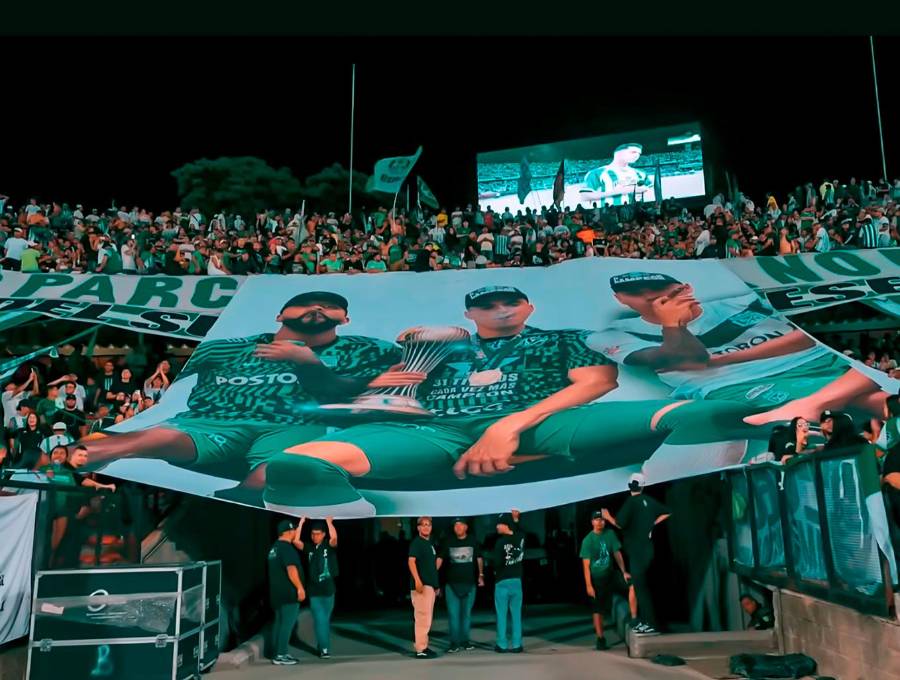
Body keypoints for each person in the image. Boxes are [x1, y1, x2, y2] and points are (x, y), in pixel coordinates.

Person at [264, 285, 771, 515]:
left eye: (510, 301)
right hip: (431, 429)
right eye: (487, 303)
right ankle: (346, 534)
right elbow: (385, 394)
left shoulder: (558, 337)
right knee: (296, 467)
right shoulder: (439, 343)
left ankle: (656, 494)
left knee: (721, 411)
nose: (500, 309)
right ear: (471, 309)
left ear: (528, 306)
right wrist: (406, 369)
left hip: (544, 420)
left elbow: (596, 383)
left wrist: (509, 429)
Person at [79, 292, 401, 504]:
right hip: (211, 421)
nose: (317, 308)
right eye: (306, 303)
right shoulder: (228, 347)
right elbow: (172, 369)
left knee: (282, 463)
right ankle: (84, 454)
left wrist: (307, 363)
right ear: (280, 315)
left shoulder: (368, 348)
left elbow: (356, 390)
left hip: (295, 423)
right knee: (157, 436)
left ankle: (241, 497)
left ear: (344, 319)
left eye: (329, 306)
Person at [589, 272, 889, 425]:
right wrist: (673, 326)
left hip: (813, 361)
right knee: (872, 396)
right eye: (640, 295)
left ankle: (813, 404)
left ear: (687, 288)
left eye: (665, 292)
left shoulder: (739, 301)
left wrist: (723, 358)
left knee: (863, 382)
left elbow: (803, 338)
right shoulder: (612, 334)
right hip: (738, 384)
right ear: (621, 299)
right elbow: (686, 358)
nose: (653, 299)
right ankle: (817, 402)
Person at [602, 473, 670, 635]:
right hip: (647, 549)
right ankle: (647, 622)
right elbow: (667, 511)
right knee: (643, 587)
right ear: (642, 485)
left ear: (629, 486)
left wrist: (607, 516)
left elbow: (619, 524)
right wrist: (652, 523)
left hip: (637, 551)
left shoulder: (632, 502)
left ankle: (651, 625)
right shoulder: (648, 501)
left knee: (640, 589)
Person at [580, 510, 633, 650]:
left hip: (611, 573)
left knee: (632, 584)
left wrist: (623, 572)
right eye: (597, 520)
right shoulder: (588, 540)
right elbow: (585, 565)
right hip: (597, 577)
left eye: (602, 520)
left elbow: (617, 553)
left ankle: (635, 620)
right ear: (592, 522)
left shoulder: (610, 534)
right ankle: (600, 638)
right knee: (598, 608)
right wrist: (588, 585)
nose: (600, 522)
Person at [296, 517, 339, 659]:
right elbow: (296, 541)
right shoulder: (309, 548)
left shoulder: (328, 546)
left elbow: (334, 538)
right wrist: (301, 523)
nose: (315, 536)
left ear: (323, 534)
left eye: (318, 534)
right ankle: (325, 648)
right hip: (314, 591)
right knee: (320, 619)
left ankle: (322, 645)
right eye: (313, 534)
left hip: (329, 590)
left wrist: (329, 522)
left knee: (325, 620)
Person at [441, 517, 483, 652]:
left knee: (466, 615)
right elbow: (440, 558)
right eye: (455, 526)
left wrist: (481, 575)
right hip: (451, 585)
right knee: (453, 615)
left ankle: (465, 641)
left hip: (469, 584)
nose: (458, 528)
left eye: (460, 525)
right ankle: (454, 643)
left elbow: (479, 558)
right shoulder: (448, 541)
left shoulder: (472, 540)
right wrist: (431, 575)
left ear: (466, 527)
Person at [267, 519, 306, 666]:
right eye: (294, 530)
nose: (296, 532)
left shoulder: (274, 548)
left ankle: (278, 651)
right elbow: (291, 569)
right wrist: (300, 587)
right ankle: (281, 655)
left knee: (279, 623)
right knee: (287, 624)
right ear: (289, 532)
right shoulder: (286, 548)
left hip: (276, 594)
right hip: (289, 593)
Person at [408, 516, 441, 659]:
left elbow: (431, 568)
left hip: (429, 586)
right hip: (422, 586)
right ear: (418, 528)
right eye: (423, 525)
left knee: (426, 618)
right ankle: (420, 649)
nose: (426, 527)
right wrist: (417, 580)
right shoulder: (417, 543)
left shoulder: (429, 544)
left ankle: (424, 646)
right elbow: (411, 561)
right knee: (422, 618)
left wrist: (435, 585)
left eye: (428, 525)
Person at [581, 144, 654, 206]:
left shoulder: (640, 173)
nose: (637, 155)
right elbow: (585, 196)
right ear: (618, 153)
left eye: (639, 153)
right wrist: (620, 191)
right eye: (633, 152)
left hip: (638, 212)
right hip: (609, 212)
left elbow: (652, 191)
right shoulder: (597, 173)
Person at [492, 513, 525, 653]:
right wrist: (516, 520)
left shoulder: (500, 543)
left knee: (501, 614)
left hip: (502, 582)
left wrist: (495, 572)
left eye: (499, 524)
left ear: (505, 525)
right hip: (517, 580)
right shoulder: (520, 538)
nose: (497, 527)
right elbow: (520, 531)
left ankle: (502, 644)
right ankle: (517, 644)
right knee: (516, 614)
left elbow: (497, 563)